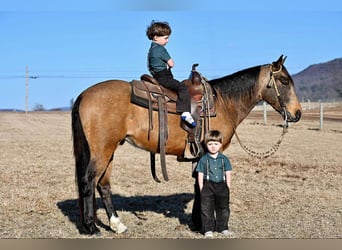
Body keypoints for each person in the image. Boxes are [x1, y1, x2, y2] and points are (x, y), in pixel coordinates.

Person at [146, 20, 196, 127]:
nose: (167, 41)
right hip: (164, 77)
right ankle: (185, 112)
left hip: (156, 76)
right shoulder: (160, 49)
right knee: (183, 88)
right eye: (165, 38)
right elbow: (172, 63)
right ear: (156, 37)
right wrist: (169, 64)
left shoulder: (151, 49)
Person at [195, 130, 233, 238]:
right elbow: (200, 174)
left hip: (222, 185)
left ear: (221, 144)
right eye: (210, 144)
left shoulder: (224, 159)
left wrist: (227, 186)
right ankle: (208, 229)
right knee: (207, 208)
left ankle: (223, 227)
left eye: (216, 144)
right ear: (206, 145)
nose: (213, 147)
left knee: (223, 208)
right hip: (208, 186)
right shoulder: (203, 160)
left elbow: (228, 173)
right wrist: (202, 187)